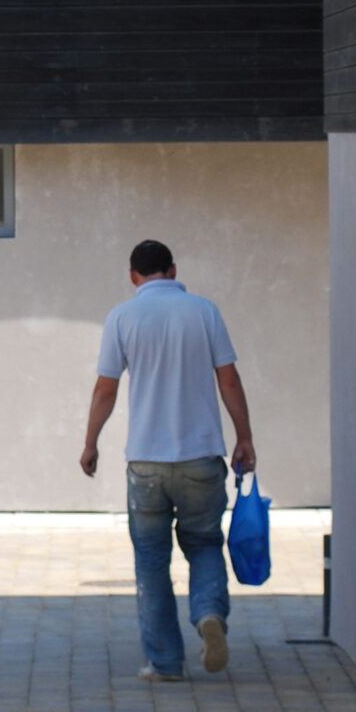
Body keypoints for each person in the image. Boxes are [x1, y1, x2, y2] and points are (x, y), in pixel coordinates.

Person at [80, 238, 256, 681]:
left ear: (133, 276)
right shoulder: (204, 311)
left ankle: (164, 663)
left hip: (146, 464)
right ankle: (209, 615)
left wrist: (91, 442)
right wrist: (244, 437)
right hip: (201, 457)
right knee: (204, 543)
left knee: (152, 562)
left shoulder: (122, 317)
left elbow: (106, 388)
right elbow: (229, 379)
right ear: (173, 270)